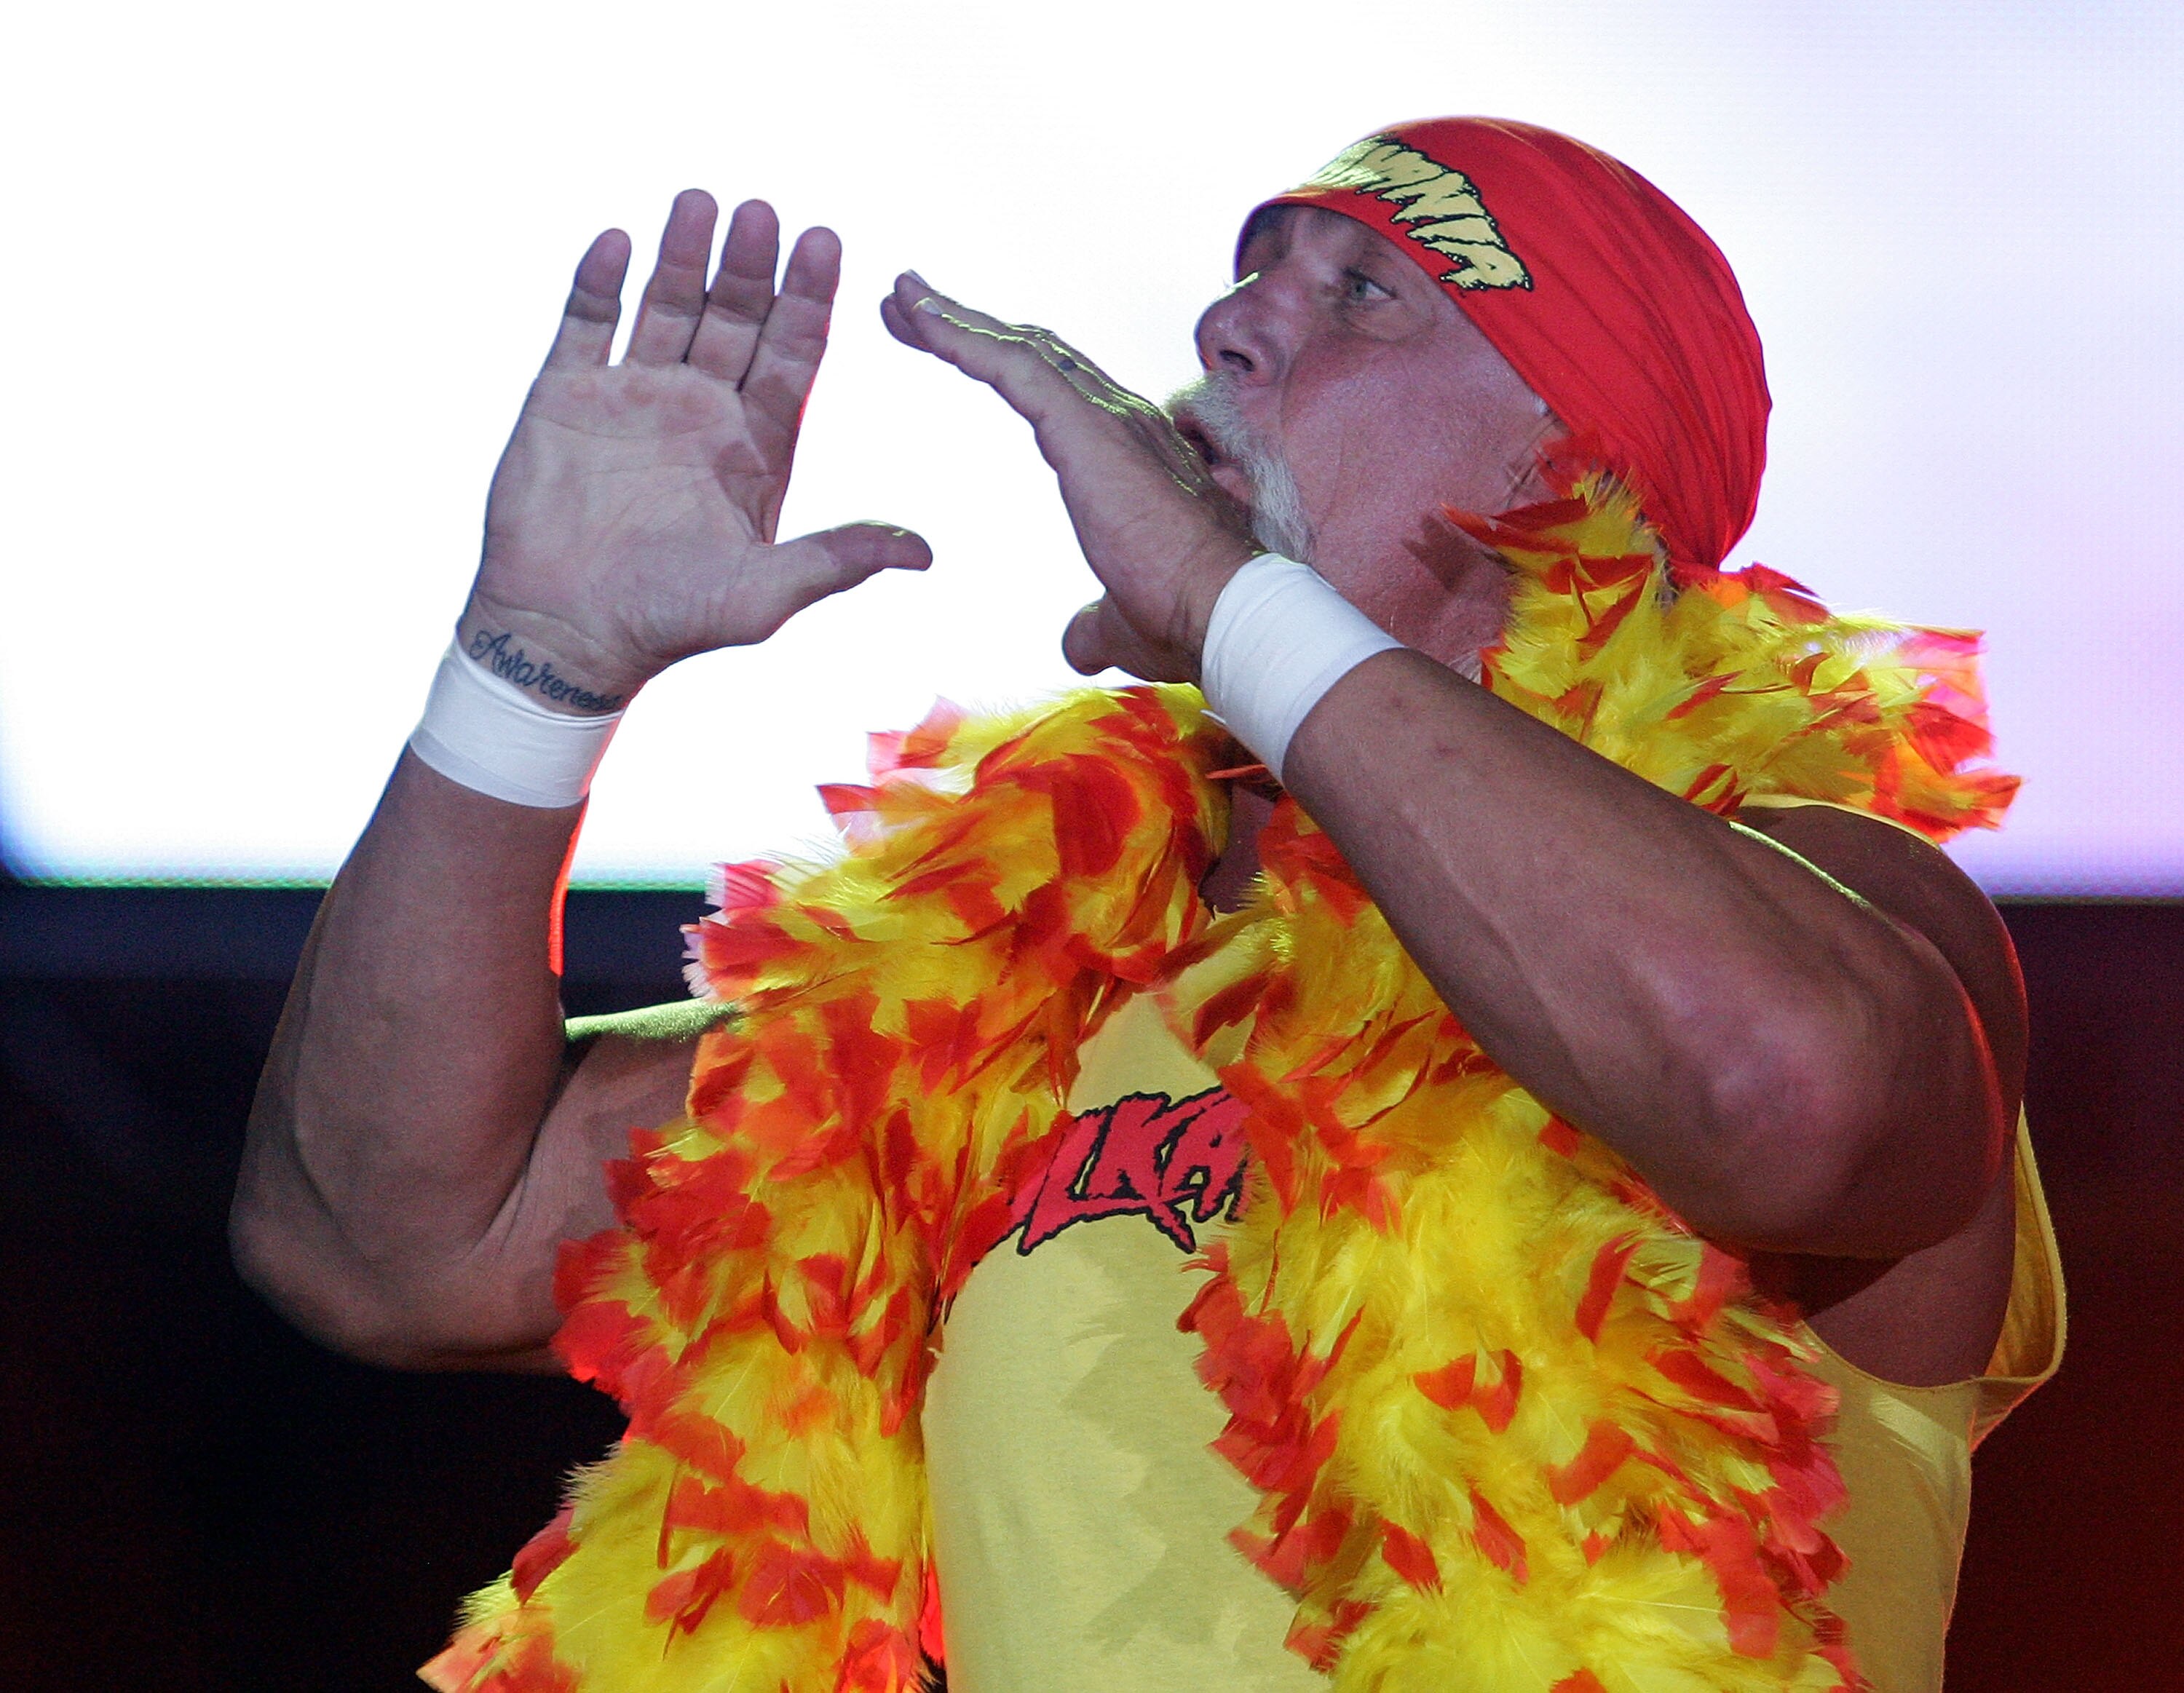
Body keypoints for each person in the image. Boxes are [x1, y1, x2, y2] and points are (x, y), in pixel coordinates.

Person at [234, 119, 2062, 1693]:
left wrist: (1224, 596)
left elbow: (1779, 1090)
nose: (1226, 322)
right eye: (1250, 269)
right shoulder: (998, 1004)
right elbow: (386, 1233)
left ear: (1571, 472)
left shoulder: (1827, 888)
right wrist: (531, 671)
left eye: (1367, 293)